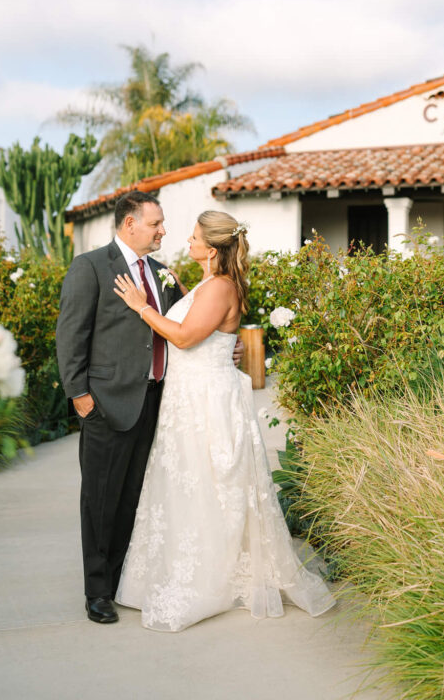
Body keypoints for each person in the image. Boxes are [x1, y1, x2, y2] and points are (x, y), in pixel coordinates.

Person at [111, 210, 335, 632]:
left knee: (209, 485)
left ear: (211, 249)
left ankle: (208, 577)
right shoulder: (205, 283)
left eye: (195, 237)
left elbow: (182, 336)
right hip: (189, 397)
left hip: (205, 403)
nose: (188, 241)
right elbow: (208, 334)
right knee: (189, 486)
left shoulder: (219, 286)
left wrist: (141, 307)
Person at [56, 190, 187, 625]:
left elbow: (177, 328)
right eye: (156, 224)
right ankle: (97, 593)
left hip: (153, 402)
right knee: (100, 500)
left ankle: (119, 581)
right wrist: (80, 396)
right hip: (105, 406)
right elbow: (71, 334)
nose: (162, 231)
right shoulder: (90, 267)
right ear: (130, 224)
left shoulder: (163, 273)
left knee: (133, 496)